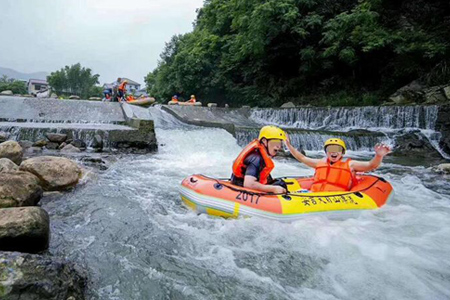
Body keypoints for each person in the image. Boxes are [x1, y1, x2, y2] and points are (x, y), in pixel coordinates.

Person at [285, 136, 391, 192]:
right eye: (330, 149)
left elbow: (371, 165)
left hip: (337, 199)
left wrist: (379, 155)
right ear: (326, 152)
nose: (333, 152)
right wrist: (289, 146)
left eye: (337, 149)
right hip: (315, 196)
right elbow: (302, 158)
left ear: (342, 152)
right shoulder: (319, 163)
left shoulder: (351, 165)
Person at [231, 126, 287, 193]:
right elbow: (248, 184)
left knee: (280, 183)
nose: (279, 146)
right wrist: (274, 189)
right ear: (264, 141)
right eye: (275, 142)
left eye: (280, 143)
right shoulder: (256, 158)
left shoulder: (262, 154)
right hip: (241, 187)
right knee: (279, 185)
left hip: (246, 182)